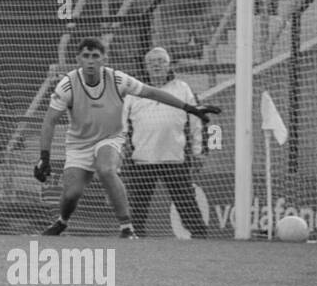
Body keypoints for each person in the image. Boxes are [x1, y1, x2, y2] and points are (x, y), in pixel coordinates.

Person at [34, 37, 219, 239]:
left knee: (108, 170)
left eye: (95, 56)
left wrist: (189, 109)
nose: (90, 61)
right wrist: (44, 156)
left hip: (141, 148)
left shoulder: (123, 80)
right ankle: (64, 222)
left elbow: (156, 95)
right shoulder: (68, 84)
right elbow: (50, 120)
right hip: (105, 150)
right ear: (78, 59)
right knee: (73, 194)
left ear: (104, 58)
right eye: (85, 56)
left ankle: (130, 229)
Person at [122, 47, 208, 238]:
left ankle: (201, 237)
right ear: (145, 66)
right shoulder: (134, 90)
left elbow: (195, 120)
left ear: (169, 64)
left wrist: (198, 150)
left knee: (187, 204)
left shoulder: (182, 88)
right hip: (142, 160)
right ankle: (133, 241)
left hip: (175, 158)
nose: (156, 65)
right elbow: (122, 124)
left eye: (161, 60)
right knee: (137, 208)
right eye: (152, 61)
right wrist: (120, 149)